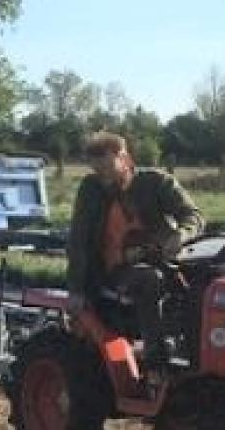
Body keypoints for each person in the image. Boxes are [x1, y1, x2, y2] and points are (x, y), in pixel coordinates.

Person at [66, 131, 204, 368]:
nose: (104, 178)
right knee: (150, 278)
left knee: (210, 278)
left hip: (162, 260)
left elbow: (193, 215)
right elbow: (78, 240)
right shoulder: (90, 190)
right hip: (114, 271)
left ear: (126, 160)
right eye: (98, 171)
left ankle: (197, 350)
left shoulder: (156, 183)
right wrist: (76, 289)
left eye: (109, 169)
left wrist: (182, 234)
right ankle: (156, 358)